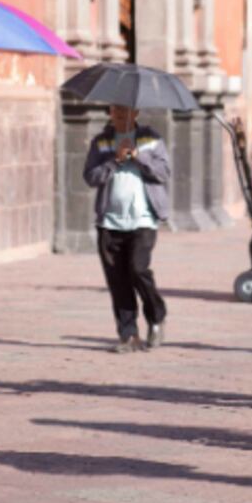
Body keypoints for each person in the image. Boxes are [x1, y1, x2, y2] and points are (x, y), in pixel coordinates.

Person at [83, 105, 171, 353]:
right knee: (118, 279)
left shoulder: (151, 139)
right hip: (110, 222)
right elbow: (91, 177)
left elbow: (164, 173)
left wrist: (138, 156)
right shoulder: (101, 142)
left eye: (126, 110)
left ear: (136, 112)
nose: (121, 115)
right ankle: (128, 334)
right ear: (110, 113)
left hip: (143, 220)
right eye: (116, 111)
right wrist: (115, 161)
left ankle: (156, 317)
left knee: (138, 269)